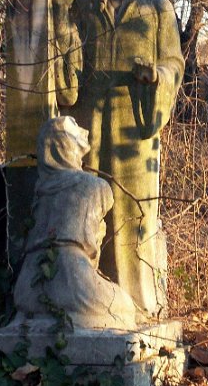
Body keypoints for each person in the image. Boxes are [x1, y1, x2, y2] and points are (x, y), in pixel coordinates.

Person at [54, 0, 184, 318]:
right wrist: (61, 18)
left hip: (135, 127)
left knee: (134, 213)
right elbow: (69, 68)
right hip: (91, 123)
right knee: (90, 209)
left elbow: (175, 62)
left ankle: (139, 303)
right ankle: (91, 300)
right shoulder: (84, 7)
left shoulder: (156, 7)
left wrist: (157, 75)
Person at [12, 116, 138, 330]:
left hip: (26, 289)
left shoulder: (39, 193)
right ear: (69, 148)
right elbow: (91, 248)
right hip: (73, 280)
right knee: (125, 304)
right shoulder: (95, 186)